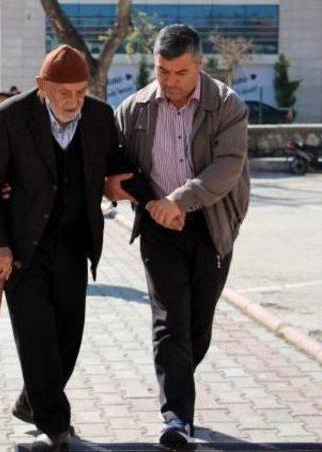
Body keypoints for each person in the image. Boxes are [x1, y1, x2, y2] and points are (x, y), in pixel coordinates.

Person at [0, 45, 145, 450]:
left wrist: (137, 188)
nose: (74, 102)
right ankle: (59, 430)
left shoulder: (100, 116)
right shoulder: (11, 117)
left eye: (81, 92)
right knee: (36, 338)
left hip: (72, 243)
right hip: (21, 249)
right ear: (42, 86)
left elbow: (117, 162)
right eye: (64, 93)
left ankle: (33, 401)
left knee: (68, 335)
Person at [113, 24, 250, 446]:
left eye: (180, 73)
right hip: (159, 229)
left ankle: (178, 386)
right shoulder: (133, 109)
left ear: (199, 66)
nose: (170, 82)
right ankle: (176, 418)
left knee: (197, 327)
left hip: (213, 225)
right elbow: (115, 164)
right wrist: (144, 200)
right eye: (162, 72)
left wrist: (180, 201)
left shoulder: (227, 105)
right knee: (170, 321)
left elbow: (226, 167)